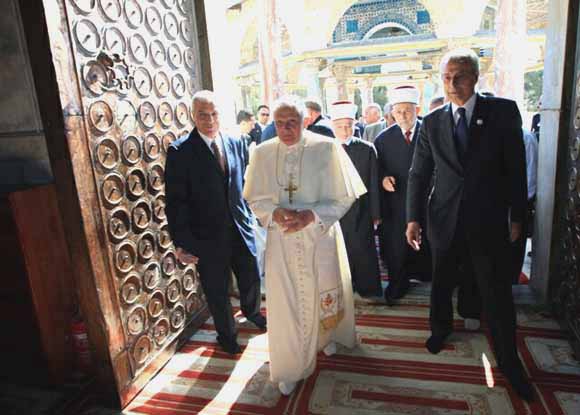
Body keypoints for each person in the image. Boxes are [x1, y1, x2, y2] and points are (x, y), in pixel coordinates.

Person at [405, 49, 533, 401]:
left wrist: (518, 216)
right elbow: (419, 174)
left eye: (459, 76)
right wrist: (413, 218)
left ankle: (509, 360)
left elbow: (516, 169)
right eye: (446, 77)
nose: (452, 84)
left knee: (495, 291)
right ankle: (440, 329)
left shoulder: (502, 112)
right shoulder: (431, 122)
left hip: (488, 220)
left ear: (476, 77)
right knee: (441, 280)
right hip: (444, 219)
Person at [243, 96, 365, 396]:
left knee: (326, 290)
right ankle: (290, 365)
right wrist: (274, 213)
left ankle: (328, 335)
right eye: (280, 123)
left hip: (319, 237)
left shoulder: (327, 148)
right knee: (287, 302)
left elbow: (345, 196)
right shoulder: (262, 152)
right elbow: (254, 197)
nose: (286, 129)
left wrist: (312, 215)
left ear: (305, 120)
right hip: (282, 239)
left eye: (292, 123)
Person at [165, 90, 266, 355]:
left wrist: (252, 216)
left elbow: (242, 183)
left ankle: (252, 312)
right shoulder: (180, 151)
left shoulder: (236, 141)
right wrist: (181, 243)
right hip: (206, 237)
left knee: (251, 276)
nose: (209, 120)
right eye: (202, 114)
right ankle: (227, 335)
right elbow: (175, 202)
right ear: (192, 116)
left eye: (214, 113)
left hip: (241, 228)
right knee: (217, 290)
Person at [375, 86, 431, 305]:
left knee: (428, 241)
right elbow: (377, 168)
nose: (403, 116)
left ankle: (427, 275)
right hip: (396, 200)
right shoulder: (383, 139)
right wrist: (382, 179)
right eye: (398, 112)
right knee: (395, 244)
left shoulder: (430, 130)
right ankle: (398, 282)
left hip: (427, 198)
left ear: (417, 109)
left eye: (407, 111)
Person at [330, 101, 382, 300]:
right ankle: (344, 288)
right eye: (340, 126)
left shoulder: (367, 149)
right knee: (338, 252)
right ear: (333, 126)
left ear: (355, 125)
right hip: (335, 212)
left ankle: (368, 289)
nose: (345, 130)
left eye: (349, 125)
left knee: (363, 249)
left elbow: (374, 183)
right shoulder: (325, 149)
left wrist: (376, 214)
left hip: (362, 209)